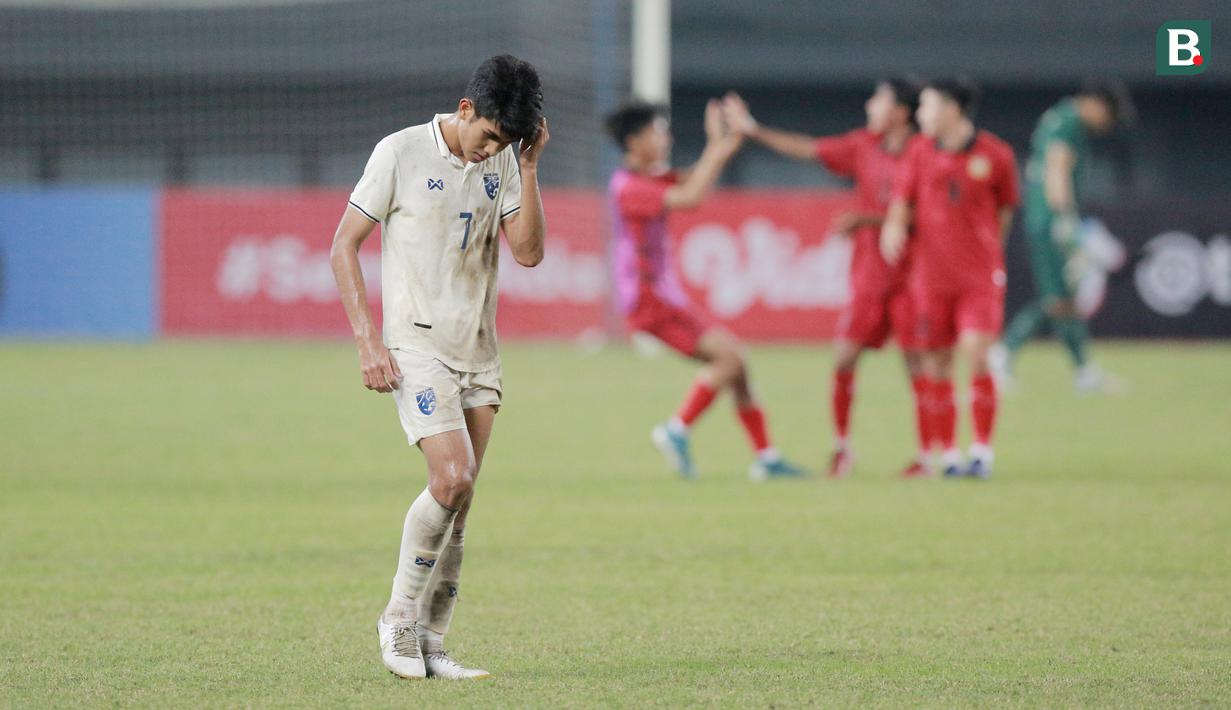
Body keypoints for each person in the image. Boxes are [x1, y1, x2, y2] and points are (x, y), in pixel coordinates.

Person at [330, 55, 548, 680]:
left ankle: (432, 642)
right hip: (416, 346)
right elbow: (343, 245)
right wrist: (369, 342)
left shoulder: (506, 159)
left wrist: (528, 166)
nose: (490, 151)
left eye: (504, 144)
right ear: (464, 110)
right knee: (451, 479)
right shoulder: (400, 152)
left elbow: (528, 253)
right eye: (487, 137)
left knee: (462, 500)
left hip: (479, 349)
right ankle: (397, 619)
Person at [723, 79, 935, 478]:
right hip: (870, 277)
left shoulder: (924, 153)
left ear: (901, 113)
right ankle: (842, 449)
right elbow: (808, 148)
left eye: (879, 100)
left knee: (917, 365)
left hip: (912, 277)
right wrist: (753, 130)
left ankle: (927, 457)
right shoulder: (862, 146)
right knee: (844, 357)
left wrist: (865, 219)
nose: (870, 105)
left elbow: (928, 215)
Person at [605, 99, 806, 481]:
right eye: (657, 131)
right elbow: (691, 198)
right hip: (651, 299)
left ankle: (766, 457)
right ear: (635, 141)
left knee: (738, 364)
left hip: (662, 296)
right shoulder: (629, 187)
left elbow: (695, 177)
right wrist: (717, 147)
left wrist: (723, 143)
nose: (666, 138)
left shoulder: (649, 178)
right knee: (729, 360)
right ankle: (676, 430)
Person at [881, 79, 1020, 479]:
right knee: (938, 365)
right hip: (931, 278)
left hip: (978, 277)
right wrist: (893, 227)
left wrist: (988, 249)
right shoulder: (919, 152)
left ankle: (982, 452)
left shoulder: (996, 155)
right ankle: (950, 455)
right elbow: (901, 203)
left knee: (977, 353)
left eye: (926, 107)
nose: (920, 116)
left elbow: (1006, 210)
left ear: (951, 110)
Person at [993, 79, 1135, 392]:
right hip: (1050, 220)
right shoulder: (1070, 122)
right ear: (1094, 102)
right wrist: (1065, 218)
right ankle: (1002, 354)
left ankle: (1084, 371)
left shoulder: (1061, 118)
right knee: (1056, 298)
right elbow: (1056, 168)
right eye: (1108, 114)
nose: (1107, 123)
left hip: (1047, 218)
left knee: (1066, 297)